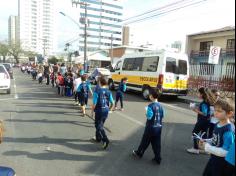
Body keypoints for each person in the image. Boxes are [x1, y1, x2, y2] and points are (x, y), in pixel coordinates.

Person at [198, 99, 235, 176]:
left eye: (219, 111)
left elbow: (225, 152)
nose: (215, 112)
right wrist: (207, 141)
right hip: (213, 159)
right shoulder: (217, 124)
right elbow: (216, 139)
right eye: (215, 110)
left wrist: (207, 147)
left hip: (221, 163)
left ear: (229, 114)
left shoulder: (228, 130)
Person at [132, 88, 164, 165]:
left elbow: (149, 117)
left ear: (151, 96)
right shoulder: (160, 106)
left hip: (150, 127)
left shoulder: (150, 106)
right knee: (156, 143)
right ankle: (158, 157)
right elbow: (162, 116)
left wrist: (146, 112)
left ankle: (139, 153)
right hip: (158, 127)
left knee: (145, 141)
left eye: (149, 94)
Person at [91, 77, 114, 149]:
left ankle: (105, 139)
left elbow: (94, 103)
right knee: (101, 124)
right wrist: (109, 109)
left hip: (99, 111)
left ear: (100, 82)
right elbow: (112, 103)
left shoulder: (96, 91)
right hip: (106, 110)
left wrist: (92, 111)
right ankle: (98, 138)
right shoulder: (109, 91)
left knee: (98, 125)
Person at [187, 87, 211, 154]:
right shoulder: (209, 101)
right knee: (204, 134)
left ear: (202, 94)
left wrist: (194, 109)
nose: (198, 94)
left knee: (194, 133)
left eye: (199, 93)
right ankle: (205, 149)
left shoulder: (204, 103)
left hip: (202, 120)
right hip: (207, 121)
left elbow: (204, 113)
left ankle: (195, 148)